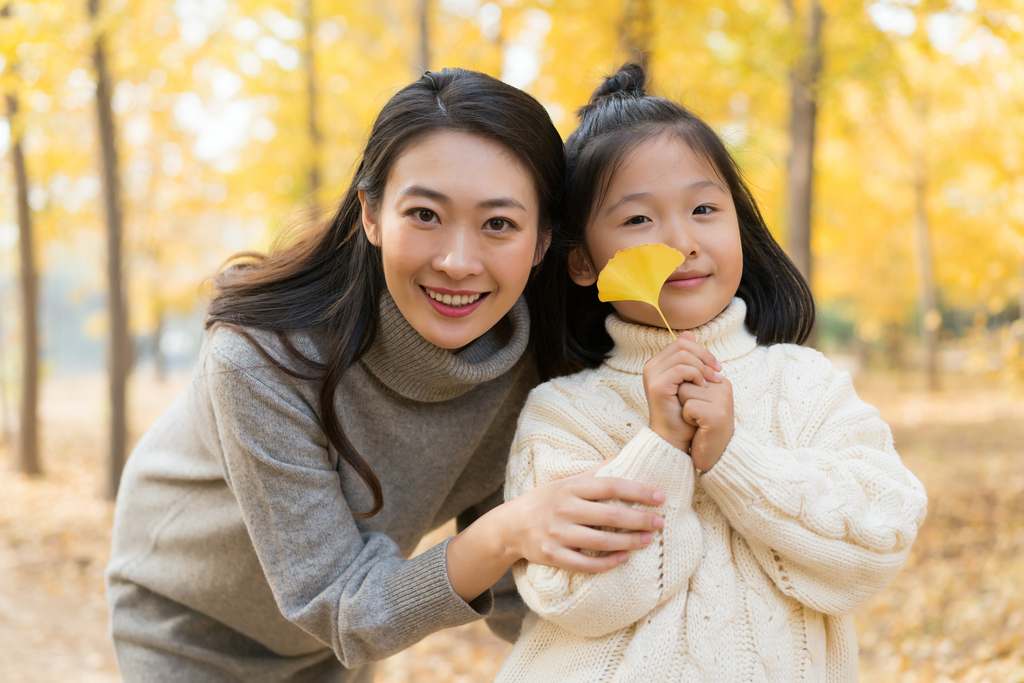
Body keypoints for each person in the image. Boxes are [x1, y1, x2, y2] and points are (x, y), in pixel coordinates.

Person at [105, 68, 667, 683]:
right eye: (425, 214)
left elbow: (521, 599)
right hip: (187, 627)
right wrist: (506, 533)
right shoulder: (263, 358)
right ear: (372, 215)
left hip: (343, 642)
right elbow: (340, 603)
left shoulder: (532, 366)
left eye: (499, 224)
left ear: (541, 241)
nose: (457, 261)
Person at [496, 64, 928, 683]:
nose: (682, 241)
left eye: (704, 208)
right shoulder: (562, 414)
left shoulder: (805, 386)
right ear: (583, 262)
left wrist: (733, 456)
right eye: (639, 220)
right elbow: (575, 597)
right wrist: (659, 446)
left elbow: (879, 541)